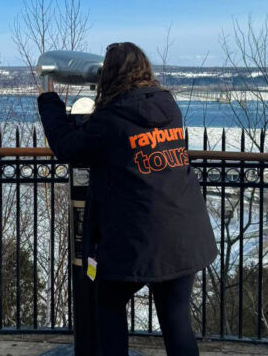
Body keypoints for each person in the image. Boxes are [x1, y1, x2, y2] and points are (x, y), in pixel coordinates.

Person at [37, 42, 217, 356]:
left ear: (108, 76)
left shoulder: (111, 119)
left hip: (138, 239)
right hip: (183, 235)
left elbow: (67, 146)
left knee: (107, 305)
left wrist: (48, 97)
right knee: (175, 321)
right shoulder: (167, 106)